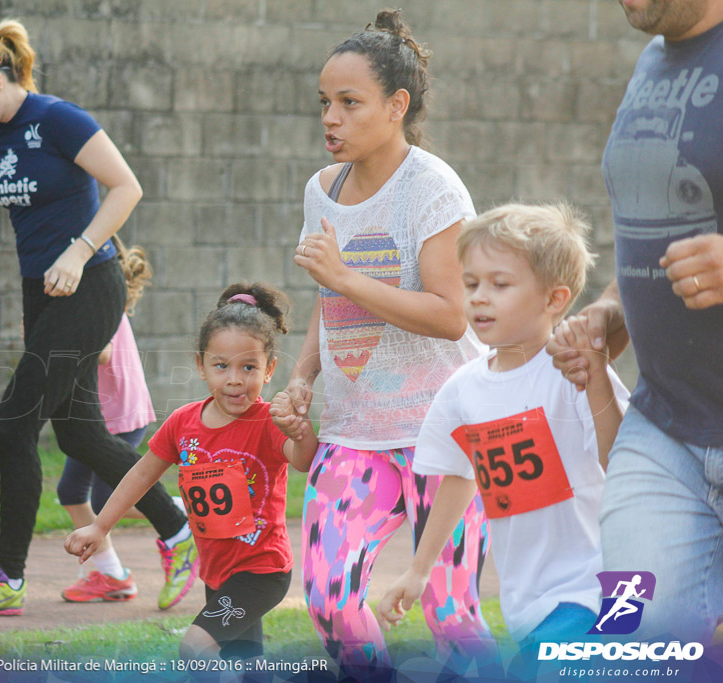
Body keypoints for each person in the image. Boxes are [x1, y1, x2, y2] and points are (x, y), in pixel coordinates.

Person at [0, 19, 197, 618]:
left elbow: (126, 187)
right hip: (45, 294)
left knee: (12, 425)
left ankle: (7, 578)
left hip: (90, 285)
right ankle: (179, 531)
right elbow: (29, 229)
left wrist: (78, 253)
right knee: (79, 434)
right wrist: (35, 308)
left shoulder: (59, 119)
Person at [270, 9, 495, 678]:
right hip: (353, 430)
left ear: (396, 106)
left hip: (445, 430)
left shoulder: (433, 189)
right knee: (330, 600)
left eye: (348, 102)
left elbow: (452, 315)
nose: (330, 118)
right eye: (324, 104)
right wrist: (304, 373)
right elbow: (330, 297)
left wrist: (343, 275)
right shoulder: (322, 190)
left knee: (450, 612)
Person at [377, 203, 629, 677]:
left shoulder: (575, 370)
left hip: (600, 589)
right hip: (528, 602)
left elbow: (621, 459)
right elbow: (458, 476)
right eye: (471, 283)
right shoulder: (462, 390)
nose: (479, 298)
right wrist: (418, 568)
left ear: (555, 299)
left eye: (500, 284)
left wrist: (595, 376)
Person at [548, 0, 723, 644]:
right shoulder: (654, 60)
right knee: (630, 641)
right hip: (665, 435)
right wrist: (611, 309)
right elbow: (655, 225)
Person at [65, 283, 319, 663]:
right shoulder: (183, 423)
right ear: (201, 365)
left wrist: (301, 431)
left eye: (249, 367)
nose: (235, 379)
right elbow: (140, 475)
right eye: (221, 366)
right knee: (245, 664)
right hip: (216, 572)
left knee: (196, 646)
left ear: (269, 370)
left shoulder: (268, 421)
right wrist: (100, 526)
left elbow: (302, 460)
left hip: (261, 571)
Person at [55, 238, 158, 603]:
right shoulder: (88, 297)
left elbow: (102, 353)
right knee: (70, 492)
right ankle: (111, 574)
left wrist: (50, 336)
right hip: (97, 417)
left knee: (103, 499)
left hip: (119, 415)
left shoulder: (100, 297)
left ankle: (186, 511)